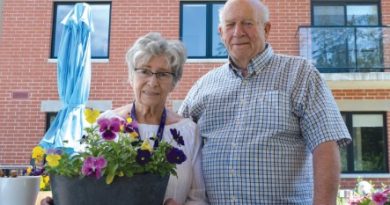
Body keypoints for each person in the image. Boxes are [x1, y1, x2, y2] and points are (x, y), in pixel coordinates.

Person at [178, 0, 352, 204]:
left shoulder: (300, 74)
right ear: (220, 32)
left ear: (266, 28)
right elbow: (177, 143)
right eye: (230, 24)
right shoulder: (203, 86)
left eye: (248, 23)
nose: (238, 32)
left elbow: (325, 146)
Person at [41, 32, 208, 205]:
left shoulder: (188, 131)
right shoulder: (107, 124)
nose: (152, 82)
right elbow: (87, 187)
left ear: (174, 82)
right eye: (144, 71)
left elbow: (197, 197)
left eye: (163, 74)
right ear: (131, 76)